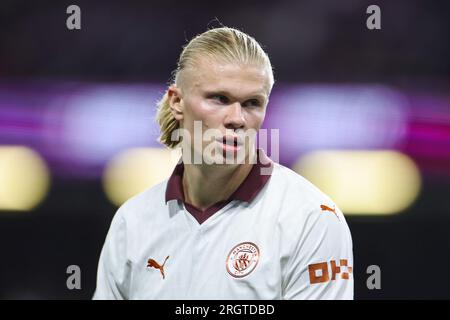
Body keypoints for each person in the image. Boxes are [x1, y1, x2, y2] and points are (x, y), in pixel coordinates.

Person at [93, 26, 353, 300]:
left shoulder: (311, 219)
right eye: (220, 98)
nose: (236, 118)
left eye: (252, 103)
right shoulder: (131, 221)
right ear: (177, 102)